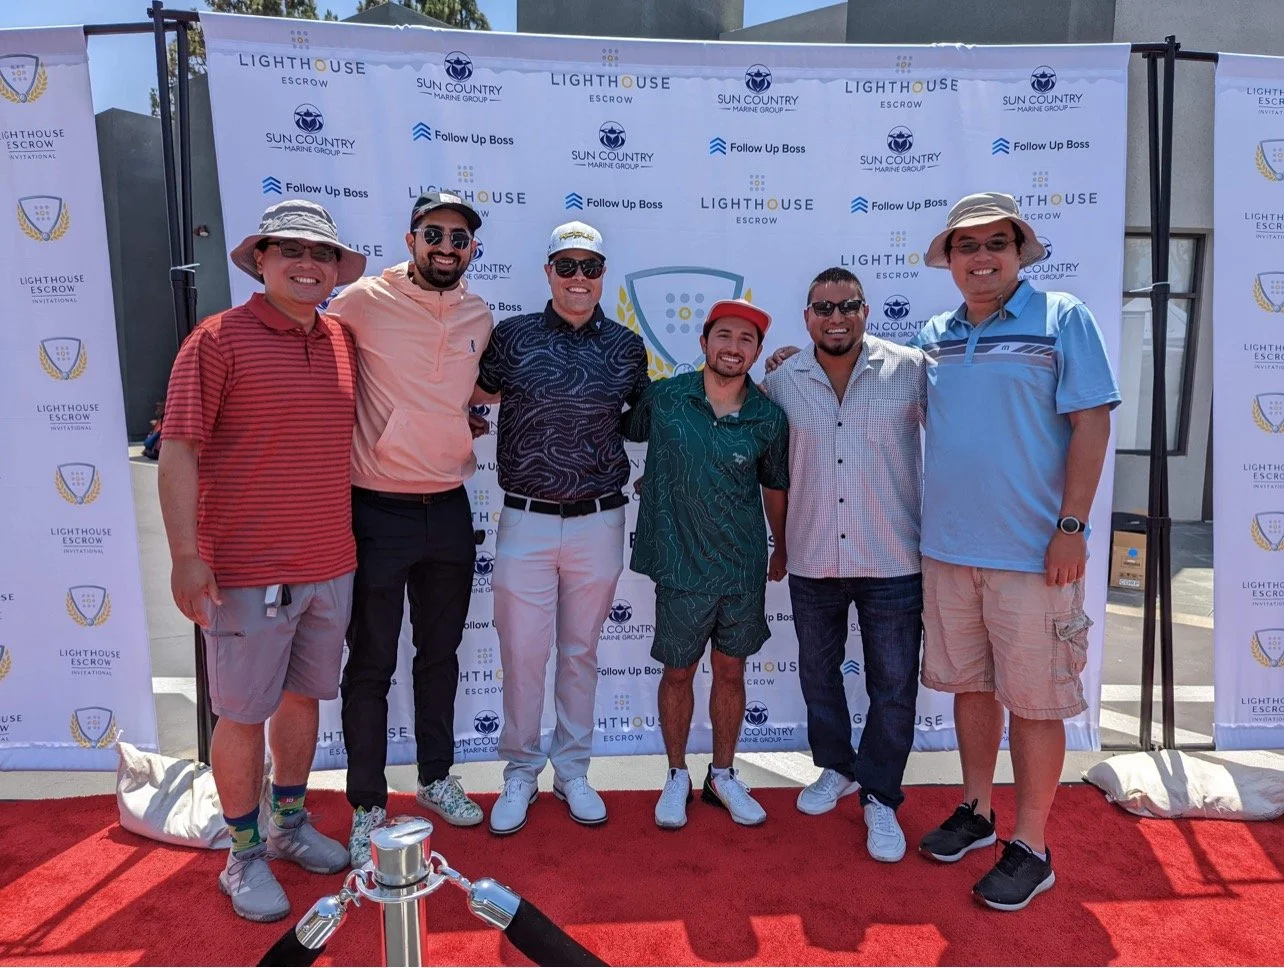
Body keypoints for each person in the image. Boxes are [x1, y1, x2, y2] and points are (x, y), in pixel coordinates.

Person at [910, 192, 1119, 910]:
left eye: (996, 243)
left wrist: (1073, 527)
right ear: (950, 260)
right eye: (966, 247)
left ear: (1019, 251)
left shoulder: (1063, 319)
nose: (982, 257)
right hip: (947, 551)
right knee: (971, 688)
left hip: (1035, 555)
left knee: (1035, 703)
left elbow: (1091, 424)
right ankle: (977, 810)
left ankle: (1031, 844)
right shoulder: (934, 333)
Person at [159, 199, 365, 922]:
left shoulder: (341, 339)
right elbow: (178, 450)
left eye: (321, 256)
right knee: (243, 715)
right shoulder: (215, 340)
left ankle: (288, 826)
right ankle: (242, 855)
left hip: (330, 563)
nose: (308, 266)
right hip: (245, 572)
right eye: (291, 253)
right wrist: (187, 555)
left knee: (303, 701)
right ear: (261, 261)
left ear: (337, 270)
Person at [324, 192, 494, 865]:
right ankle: (367, 803)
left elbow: (472, 394)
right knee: (369, 662)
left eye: (459, 238)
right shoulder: (362, 299)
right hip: (375, 508)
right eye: (434, 234)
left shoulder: (481, 314)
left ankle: (434, 780)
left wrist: (462, 421)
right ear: (412, 237)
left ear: (472, 249)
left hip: (449, 506)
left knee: (440, 656)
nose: (446, 247)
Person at [474, 221, 649, 835]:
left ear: (604, 275)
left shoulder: (627, 347)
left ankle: (573, 770)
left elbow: (647, 418)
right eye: (567, 266)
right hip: (524, 516)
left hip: (600, 520)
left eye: (591, 267)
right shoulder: (513, 336)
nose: (579, 278)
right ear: (547, 271)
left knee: (580, 653)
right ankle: (520, 770)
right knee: (522, 654)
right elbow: (472, 394)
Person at [760, 266, 927, 863]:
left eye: (848, 306)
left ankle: (880, 793)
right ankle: (836, 768)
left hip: (893, 557)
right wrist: (778, 543)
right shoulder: (782, 381)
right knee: (817, 675)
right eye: (823, 309)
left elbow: (960, 443)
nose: (836, 318)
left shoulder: (912, 369)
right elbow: (770, 471)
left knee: (893, 685)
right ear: (806, 316)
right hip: (812, 555)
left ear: (865, 309)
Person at [625, 298, 789, 829]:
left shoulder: (768, 415)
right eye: (724, 336)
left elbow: (774, 488)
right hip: (679, 565)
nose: (733, 347)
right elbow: (615, 428)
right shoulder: (665, 398)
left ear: (758, 351)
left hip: (741, 566)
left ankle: (723, 774)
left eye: (746, 340)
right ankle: (676, 775)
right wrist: (648, 485)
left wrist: (780, 546)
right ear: (703, 343)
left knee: (731, 671)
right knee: (678, 673)